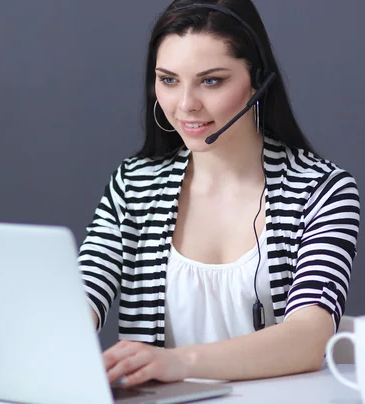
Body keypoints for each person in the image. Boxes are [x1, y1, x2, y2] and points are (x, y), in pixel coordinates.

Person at [77, 0, 360, 388]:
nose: (186, 105)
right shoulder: (134, 185)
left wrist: (177, 362)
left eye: (211, 81)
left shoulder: (321, 191)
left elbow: (310, 337)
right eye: (169, 80)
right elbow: (80, 299)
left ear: (259, 82)